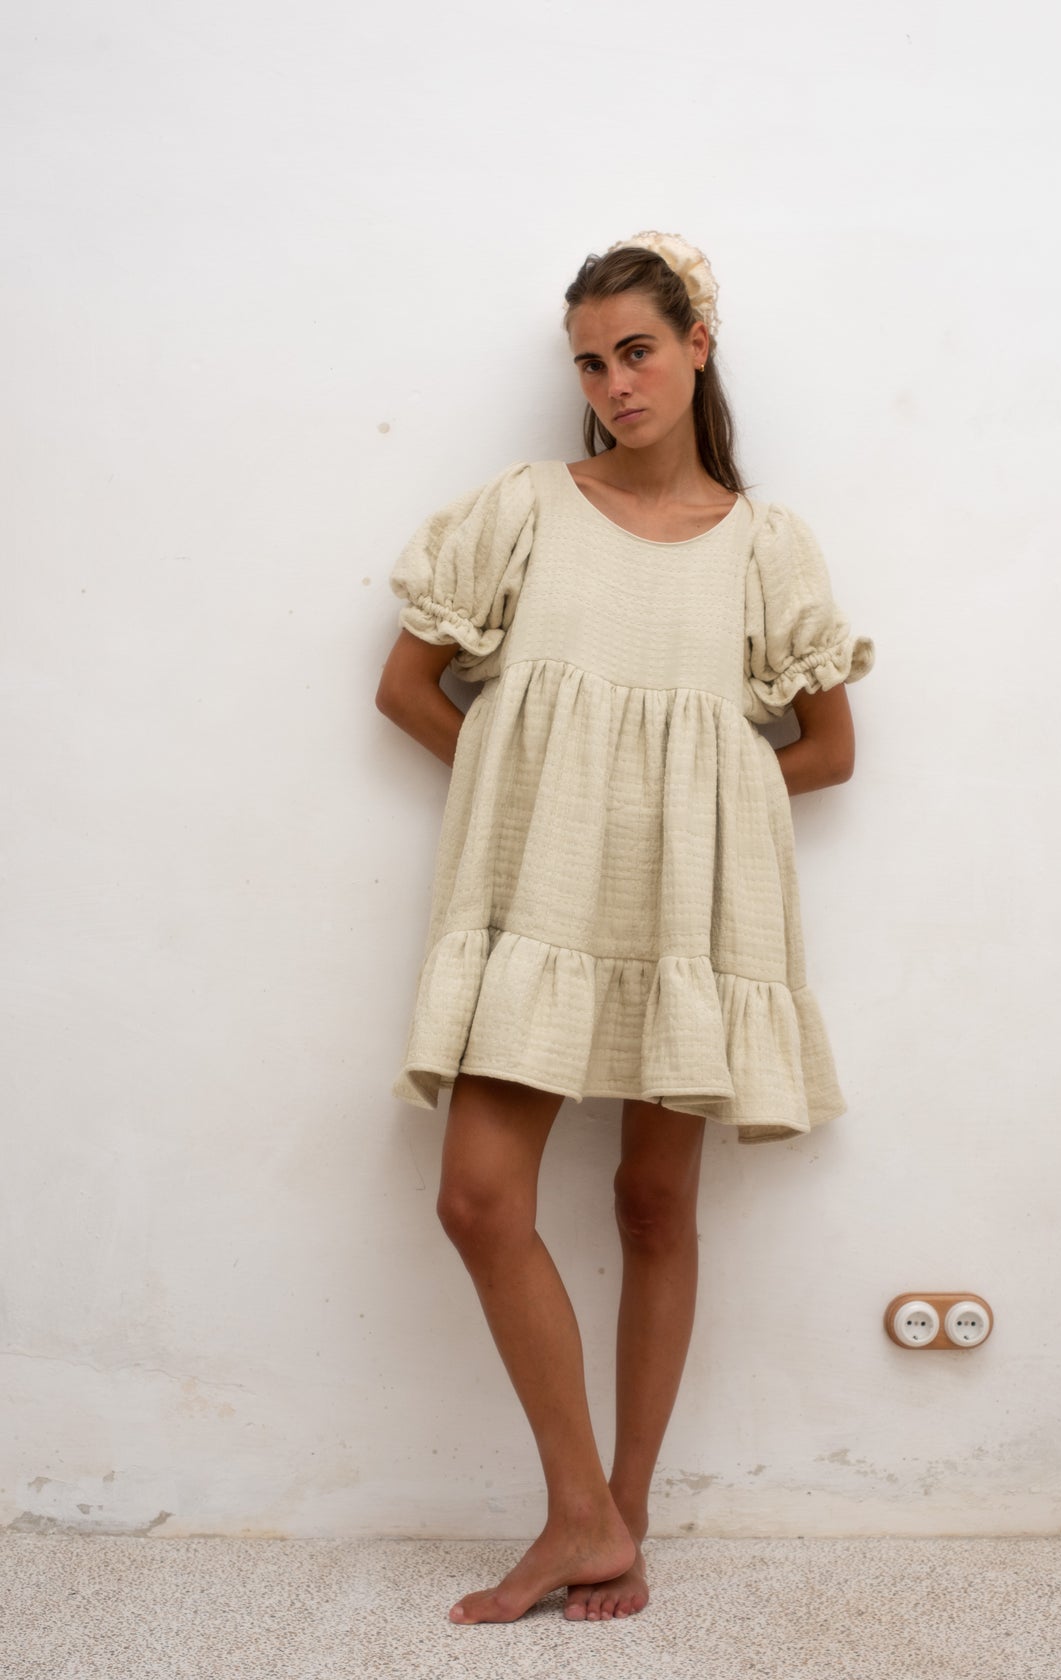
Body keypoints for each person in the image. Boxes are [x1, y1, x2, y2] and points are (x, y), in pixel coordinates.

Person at [374, 231, 874, 1626]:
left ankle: (623, 1521)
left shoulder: (768, 546)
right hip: (536, 904)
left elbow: (831, 748)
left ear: (698, 347)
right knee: (479, 1198)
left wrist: (695, 820)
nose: (614, 385)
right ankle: (578, 1511)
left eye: (637, 351)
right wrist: (533, 805)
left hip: (685, 920)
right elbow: (409, 689)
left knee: (653, 1206)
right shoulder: (526, 510)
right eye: (591, 364)